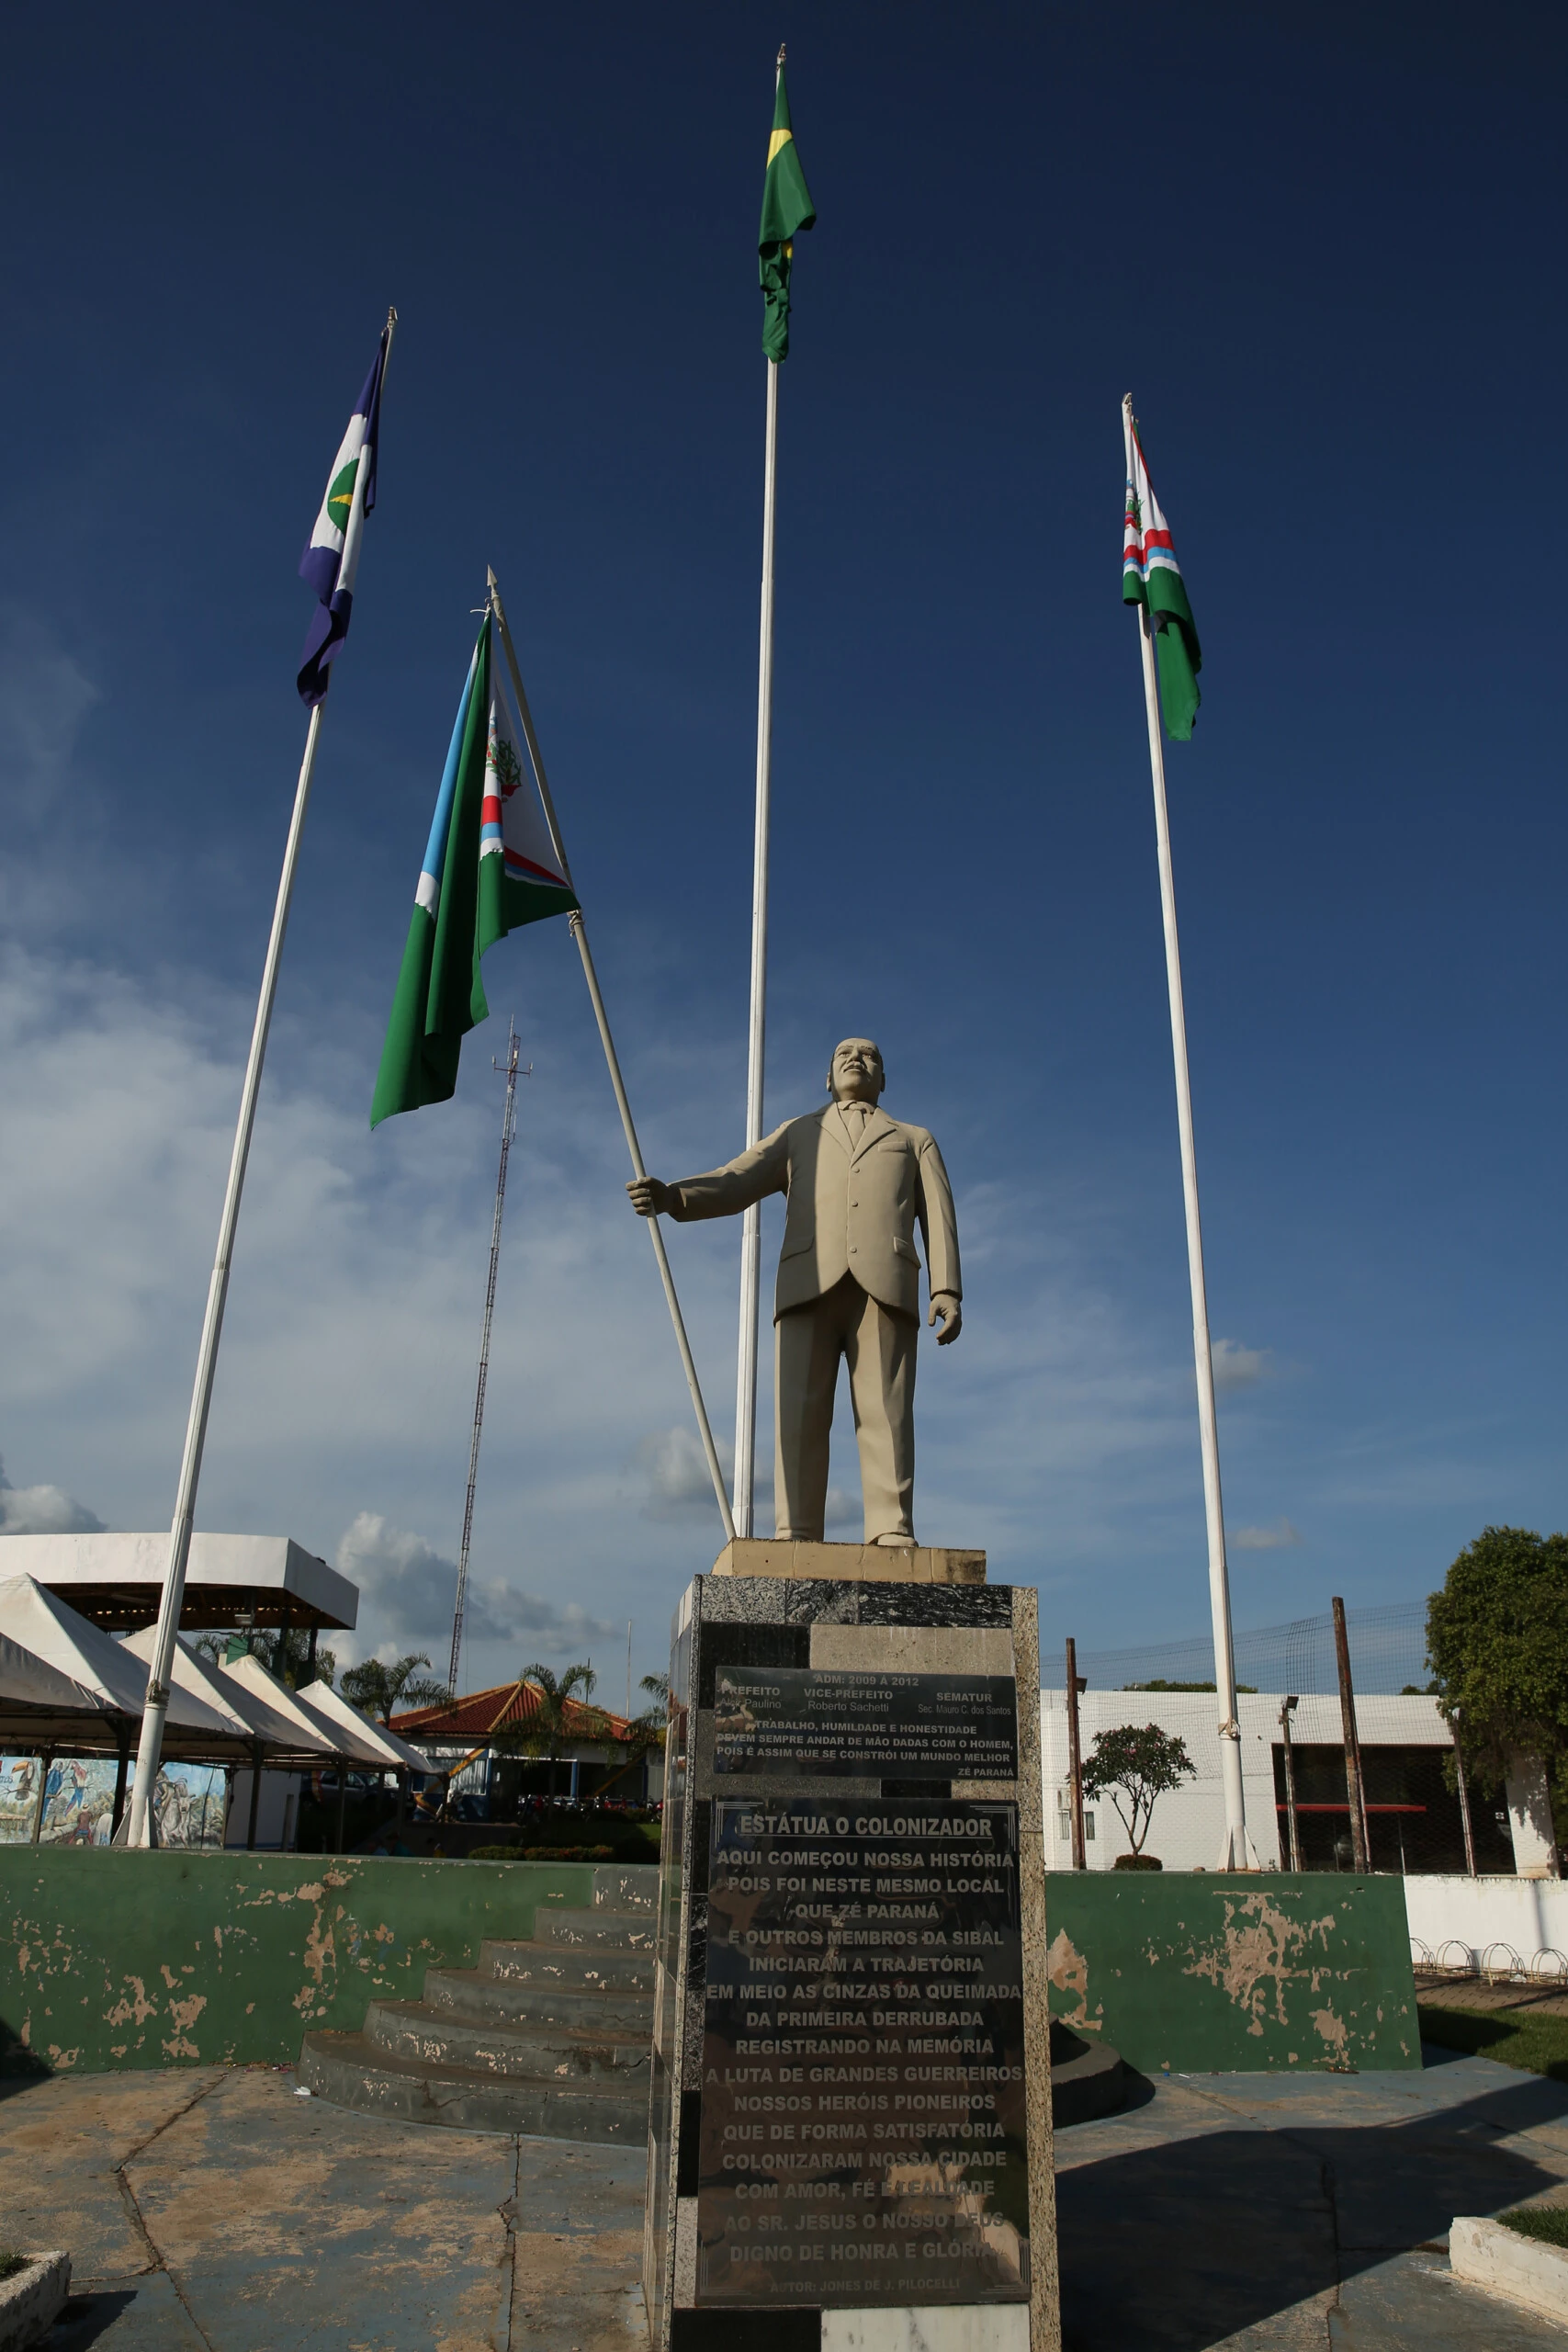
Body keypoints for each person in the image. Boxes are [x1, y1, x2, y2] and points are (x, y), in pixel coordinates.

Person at [627, 1038, 961, 1544]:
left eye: (870, 1055)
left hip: (886, 1285)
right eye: (844, 1053)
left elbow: (938, 1217)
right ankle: (798, 1529)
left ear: (884, 1079)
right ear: (827, 1079)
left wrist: (946, 1288)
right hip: (808, 1282)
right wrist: (676, 1197)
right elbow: (738, 1177)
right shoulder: (799, 1133)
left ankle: (892, 1527)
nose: (857, 1058)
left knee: (887, 1412)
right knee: (799, 1416)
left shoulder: (914, 1139)